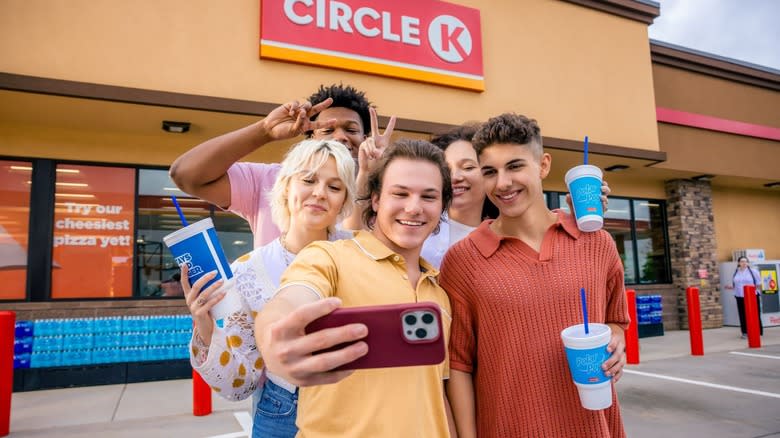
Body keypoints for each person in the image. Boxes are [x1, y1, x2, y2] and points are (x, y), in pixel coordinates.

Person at [440, 113, 629, 437]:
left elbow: (616, 321)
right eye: (490, 172)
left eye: (515, 166)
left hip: (594, 428)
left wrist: (616, 340)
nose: (502, 183)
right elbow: (458, 366)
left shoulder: (597, 243)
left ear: (543, 165)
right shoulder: (462, 260)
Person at [255, 139, 456, 437]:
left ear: (441, 207)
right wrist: (274, 338)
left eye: (429, 197)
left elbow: (435, 393)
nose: (414, 208)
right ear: (375, 200)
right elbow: (292, 298)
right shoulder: (329, 256)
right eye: (400, 193)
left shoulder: (438, 292)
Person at [182, 139, 357, 438]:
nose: (319, 193)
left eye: (334, 186)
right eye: (309, 179)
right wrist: (205, 326)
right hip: (282, 413)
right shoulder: (247, 272)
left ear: (344, 200)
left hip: (356, 405)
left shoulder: (361, 254)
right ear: (287, 186)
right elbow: (240, 384)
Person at [169, 84, 395, 248]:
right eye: (327, 129)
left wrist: (370, 174)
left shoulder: (383, 196)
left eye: (351, 130)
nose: (340, 137)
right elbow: (186, 175)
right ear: (309, 137)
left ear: (366, 138)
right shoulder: (270, 180)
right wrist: (265, 131)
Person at [726, 256, 763, 338]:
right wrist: (731, 287)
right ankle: (745, 332)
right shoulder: (736, 272)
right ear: (739, 263)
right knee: (742, 314)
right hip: (739, 296)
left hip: (752, 296)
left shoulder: (753, 272)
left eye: (746, 261)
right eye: (742, 261)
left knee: (755, 314)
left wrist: (756, 291)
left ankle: (758, 331)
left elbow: (759, 284)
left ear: (748, 263)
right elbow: (736, 285)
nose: (744, 263)